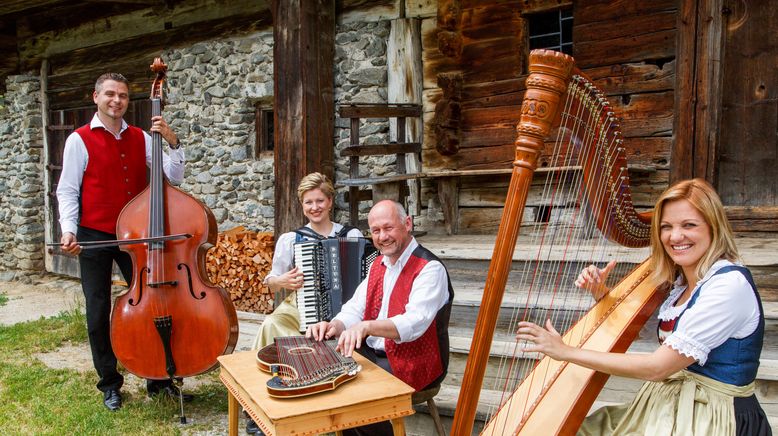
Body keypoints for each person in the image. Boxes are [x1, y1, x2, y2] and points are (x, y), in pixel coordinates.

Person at [516, 178, 772, 435]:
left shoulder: (728, 286)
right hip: (671, 404)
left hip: (713, 416)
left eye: (689, 225)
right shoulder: (686, 282)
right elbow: (656, 331)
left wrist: (566, 352)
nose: (675, 236)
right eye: (666, 227)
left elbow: (657, 367)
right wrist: (602, 293)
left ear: (713, 228)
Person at [56, 72, 188, 411]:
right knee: (98, 310)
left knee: (153, 304)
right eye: (111, 94)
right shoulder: (78, 139)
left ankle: (159, 379)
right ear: (96, 96)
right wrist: (68, 230)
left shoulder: (143, 137)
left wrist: (172, 143)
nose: (117, 100)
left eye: (124, 96)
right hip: (94, 232)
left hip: (137, 234)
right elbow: (68, 190)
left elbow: (172, 176)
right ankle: (110, 384)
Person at [307, 199, 454, 436]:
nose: (382, 236)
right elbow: (354, 308)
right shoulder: (378, 264)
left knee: (356, 391)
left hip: (416, 360)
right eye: (376, 231)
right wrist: (334, 325)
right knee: (320, 370)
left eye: (388, 228)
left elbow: (413, 323)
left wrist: (367, 327)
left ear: (407, 223)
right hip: (374, 354)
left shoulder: (429, 268)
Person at [246, 172, 362, 435]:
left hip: (342, 309)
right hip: (299, 306)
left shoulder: (351, 233)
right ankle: (257, 403)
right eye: (308, 202)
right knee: (271, 323)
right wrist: (283, 280)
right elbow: (271, 281)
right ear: (302, 205)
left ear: (330, 201)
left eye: (320, 201)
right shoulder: (291, 239)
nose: (314, 207)